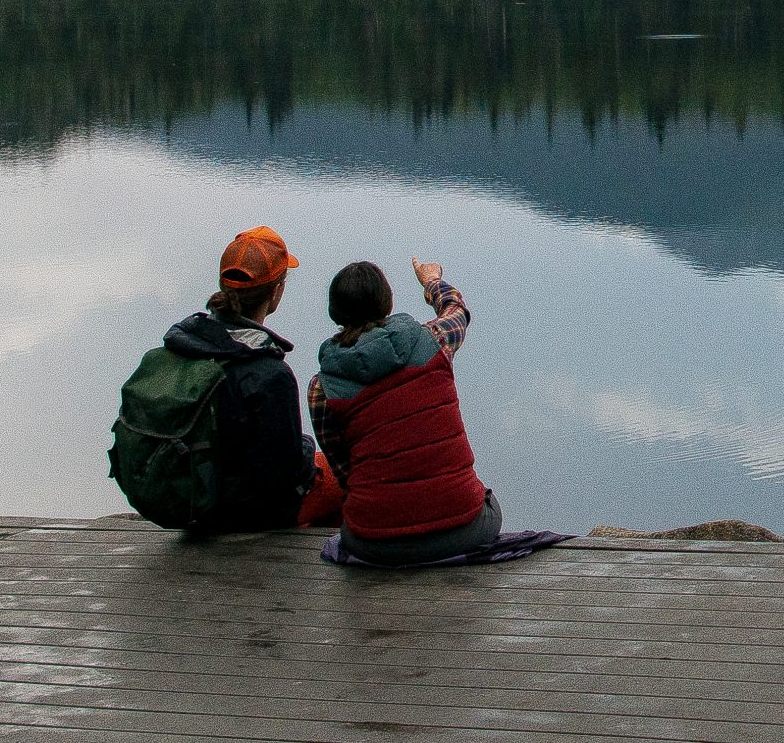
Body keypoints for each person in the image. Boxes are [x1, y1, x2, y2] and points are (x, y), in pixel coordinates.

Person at [115, 226, 338, 533]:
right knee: (344, 474)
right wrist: (305, 446)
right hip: (240, 514)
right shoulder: (271, 375)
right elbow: (282, 477)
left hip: (193, 498)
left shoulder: (187, 342)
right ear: (276, 293)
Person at [310, 256, 500, 565]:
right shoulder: (434, 341)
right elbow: (457, 312)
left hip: (373, 543)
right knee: (486, 501)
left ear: (336, 313)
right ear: (387, 302)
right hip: (465, 529)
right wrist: (431, 282)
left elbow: (345, 470)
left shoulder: (322, 388)